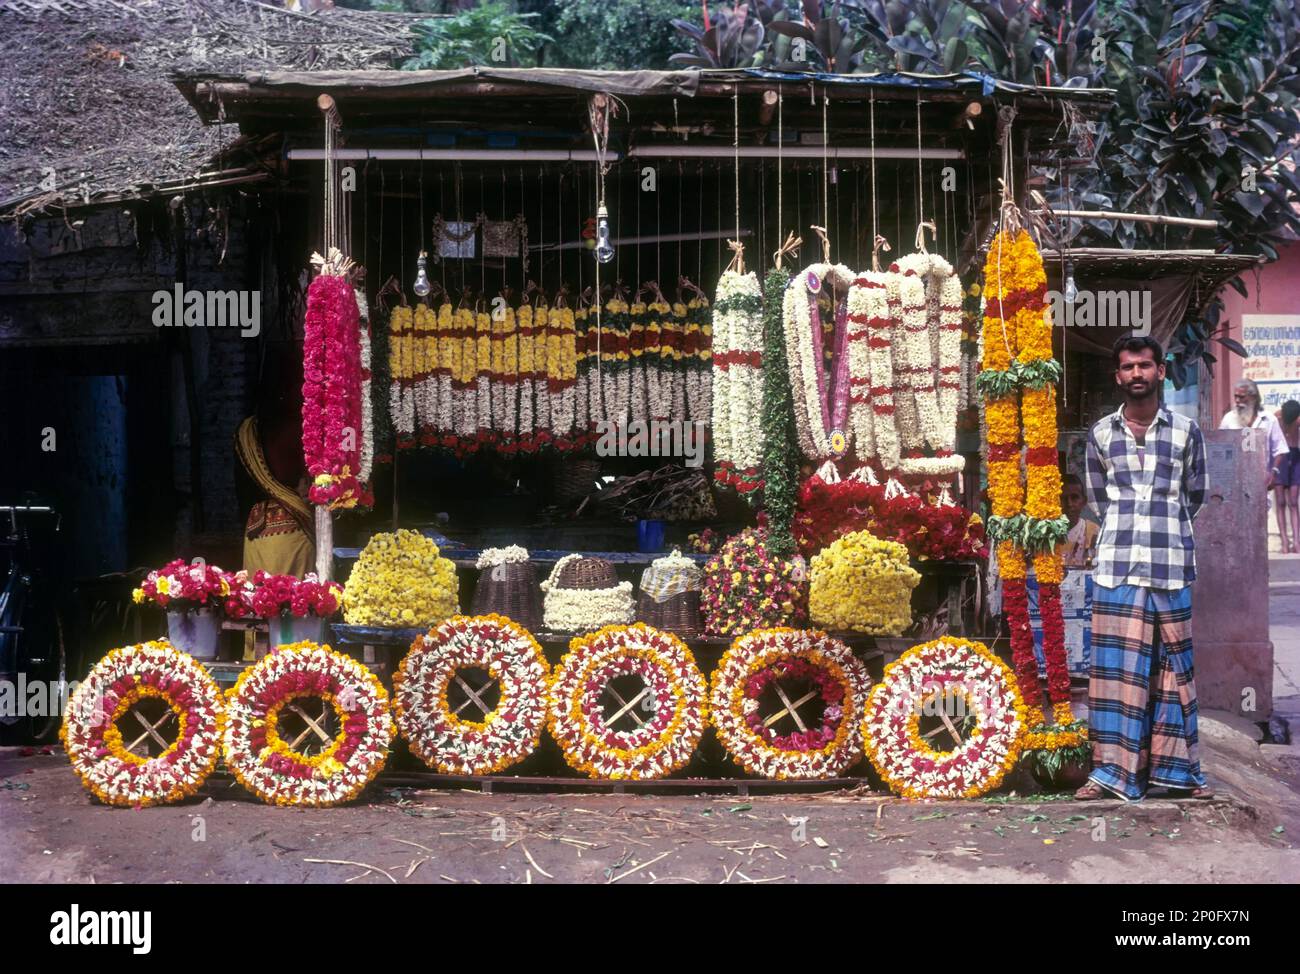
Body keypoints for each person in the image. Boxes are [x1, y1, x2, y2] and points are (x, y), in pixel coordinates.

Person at [1077, 334, 1212, 801]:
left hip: (1170, 564)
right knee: (1115, 672)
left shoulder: (1185, 432)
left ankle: (1177, 774)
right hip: (1116, 565)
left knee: (1174, 670)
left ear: (1160, 372)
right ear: (1118, 376)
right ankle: (1111, 774)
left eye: (1146, 366)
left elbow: (1194, 496)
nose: (1137, 374)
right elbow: (1097, 501)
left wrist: (1164, 527)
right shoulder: (1099, 435)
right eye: (1129, 367)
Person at [1219, 378, 1289, 490]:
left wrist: (1273, 473)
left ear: (1253, 397)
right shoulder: (1228, 419)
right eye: (1235, 396)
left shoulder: (1269, 420)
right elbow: (1219, 448)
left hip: (1260, 484)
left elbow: (1280, 449)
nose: (1237, 400)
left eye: (1241, 397)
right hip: (1233, 484)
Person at [1274, 400, 1300, 554]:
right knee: (1281, 502)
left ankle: (1296, 542)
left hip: (1295, 456)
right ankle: (1284, 541)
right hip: (1280, 456)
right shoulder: (1277, 417)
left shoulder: (1298, 418)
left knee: (1293, 501)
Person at [1061, 473, 1099, 569]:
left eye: (1074, 498)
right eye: (1063, 498)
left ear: (1084, 501)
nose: (1069, 504)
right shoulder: (1045, 533)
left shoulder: (1093, 531)